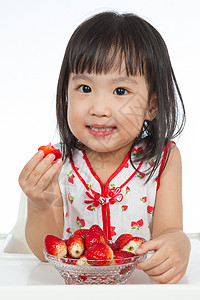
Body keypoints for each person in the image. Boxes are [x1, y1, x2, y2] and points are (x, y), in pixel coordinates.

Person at [18, 11, 191, 284]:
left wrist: (179, 244)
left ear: (151, 105)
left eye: (120, 91)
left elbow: (169, 230)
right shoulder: (58, 161)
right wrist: (38, 205)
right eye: (84, 88)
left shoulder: (163, 158)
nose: (99, 109)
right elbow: (44, 252)